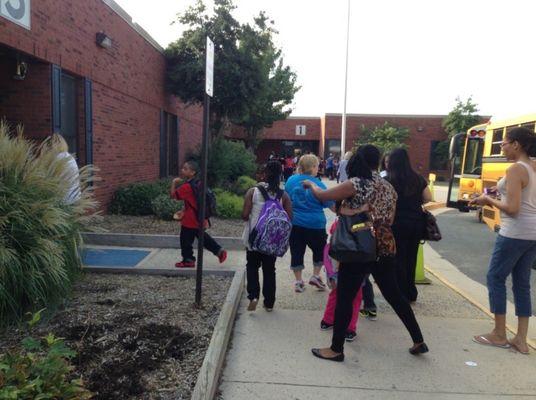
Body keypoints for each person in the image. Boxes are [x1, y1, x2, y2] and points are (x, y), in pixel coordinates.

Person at [303, 145, 428, 362]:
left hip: (358, 246)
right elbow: (389, 220)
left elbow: (323, 196)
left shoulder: (356, 183)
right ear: (378, 161)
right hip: (384, 245)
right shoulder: (388, 187)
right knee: (395, 295)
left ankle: (336, 349)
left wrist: (311, 185)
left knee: (345, 296)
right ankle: (418, 340)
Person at [470, 127, 536, 355]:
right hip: (532, 232)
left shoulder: (516, 168)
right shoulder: (533, 166)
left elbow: (514, 208)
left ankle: (499, 334)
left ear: (516, 144)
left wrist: (487, 199)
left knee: (495, 277)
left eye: (504, 143)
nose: (501, 147)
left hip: (514, 231)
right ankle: (520, 338)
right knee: (522, 283)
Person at [386, 148, 432, 302]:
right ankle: (411, 292)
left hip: (396, 222)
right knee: (411, 257)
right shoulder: (417, 178)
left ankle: (399, 291)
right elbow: (428, 198)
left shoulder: (388, 180)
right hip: (416, 222)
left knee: (397, 257)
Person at [285, 154, 334, 292]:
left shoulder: (291, 181)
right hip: (315, 224)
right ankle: (315, 275)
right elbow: (330, 204)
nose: (318, 168)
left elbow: (286, 199)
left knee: (297, 251)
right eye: (317, 166)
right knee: (319, 250)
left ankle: (298, 281)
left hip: (296, 223)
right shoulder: (319, 184)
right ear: (313, 167)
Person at [170, 160, 227, 268]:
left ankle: (188, 260)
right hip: (200, 217)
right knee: (202, 237)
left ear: (193, 172)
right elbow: (193, 201)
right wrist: (183, 210)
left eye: (185, 169)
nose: (182, 170)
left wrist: (174, 182)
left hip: (190, 220)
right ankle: (219, 251)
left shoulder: (187, 187)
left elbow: (173, 195)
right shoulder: (199, 183)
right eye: (183, 168)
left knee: (185, 240)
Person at [321, 219, 363, 342]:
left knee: (335, 297)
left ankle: (327, 320)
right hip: (356, 273)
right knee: (355, 300)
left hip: (337, 277)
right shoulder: (360, 240)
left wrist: (331, 277)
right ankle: (350, 329)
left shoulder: (331, 245)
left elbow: (327, 262)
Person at [49, 133, 81, 205]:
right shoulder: (69, 156)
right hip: (75, 196)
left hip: (64, 199)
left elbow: (51, 178)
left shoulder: (58, 158)